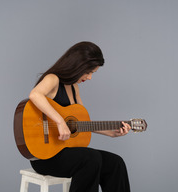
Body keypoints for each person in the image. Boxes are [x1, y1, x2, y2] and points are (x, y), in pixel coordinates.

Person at [28, 41, 131, 192]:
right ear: (77, 65)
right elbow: (35, 95)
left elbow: (82, 123)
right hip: (45, 156)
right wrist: (59, 121)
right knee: (90, 158)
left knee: (115, 163)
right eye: (88, 72)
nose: (89, 77)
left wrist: (109, 132)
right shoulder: (53, 79)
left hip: (66, 152)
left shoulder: (74, 87)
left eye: (92, 73)